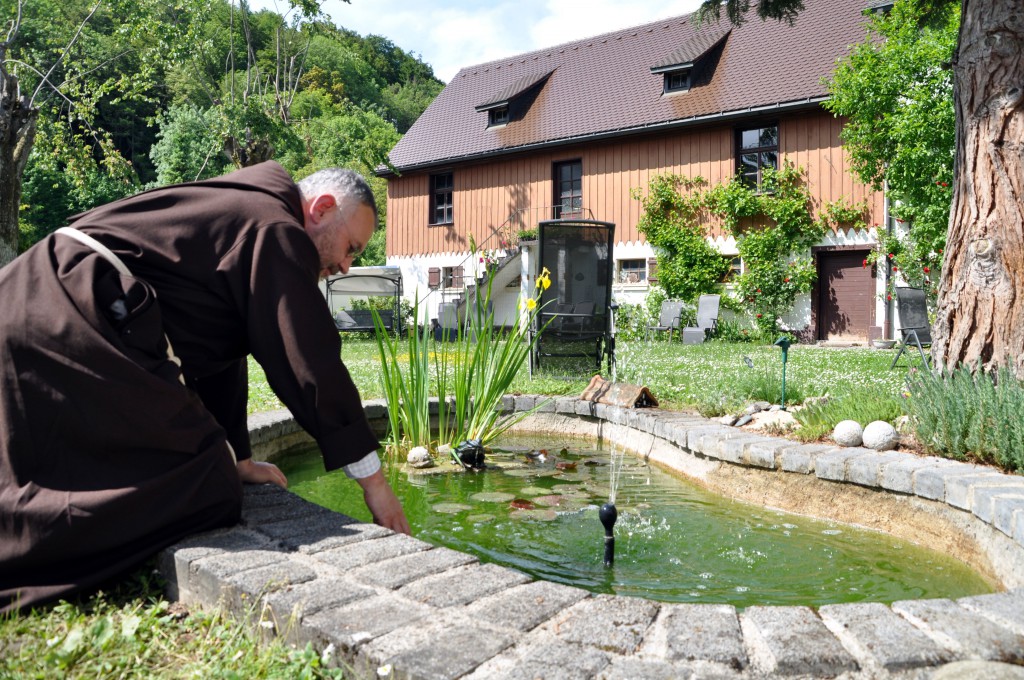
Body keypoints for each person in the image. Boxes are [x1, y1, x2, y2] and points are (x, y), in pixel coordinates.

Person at [0, 161, 409, 614]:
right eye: (351, 248)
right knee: (207, 483)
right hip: (72, 311)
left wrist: (241, 457)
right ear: (322, 208)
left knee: (212, 465)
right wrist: (375, 485)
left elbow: (221, 348)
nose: (344, 267)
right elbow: (310, 356)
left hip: (32, 297)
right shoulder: (277, 227)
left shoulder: (247, 207)